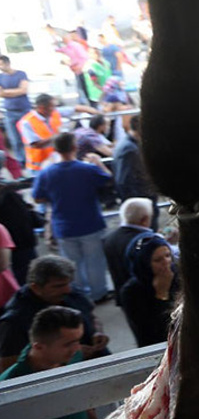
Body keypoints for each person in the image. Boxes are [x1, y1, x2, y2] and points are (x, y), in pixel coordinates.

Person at [0, 306, 96, 419]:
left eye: (77, 341)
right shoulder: (10, 386)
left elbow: (82, 400)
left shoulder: (72, 357)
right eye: (68, 344)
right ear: (38, 347)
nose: (77, 348)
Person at [33, 134, 113, 301]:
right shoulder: (87, 169)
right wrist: (98, 162)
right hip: (91, 223)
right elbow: (107, 179)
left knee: (72, 264)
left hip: (64, 226)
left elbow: (38, 197)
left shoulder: (46, 173)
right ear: (74, 147)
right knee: (95, 261)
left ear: (55, 149)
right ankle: (99, 293)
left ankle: (79, 294)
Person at [0, 255, 106, 370]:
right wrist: (69, 355)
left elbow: (91, 316)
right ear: (35, 287)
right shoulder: (15, 321)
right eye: (58, 286)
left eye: (68, 283)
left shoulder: (70, 291)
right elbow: (9, 366)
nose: (67, 290)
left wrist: (97, 332)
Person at [118, 232, 178, 347]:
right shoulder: (131, 292)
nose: (166, 263)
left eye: (167, 255)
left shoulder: (177, 275)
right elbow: (149, 331)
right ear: (144, 263)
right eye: (157, 260)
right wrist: (161, 294)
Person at [104, 197, 155, 293]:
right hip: (146, 296)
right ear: (144, 219)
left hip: (124, 295)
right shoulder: (147, 241)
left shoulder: (110, 238)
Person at [0, 55, 32, 167]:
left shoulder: (21, 74)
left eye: (1, 64)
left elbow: (24, 90)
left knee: (29, 137)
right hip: (9, 111)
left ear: (7, 63)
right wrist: (16, 91)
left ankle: (31, 159)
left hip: (24, 110)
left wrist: (7, 92)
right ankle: (21, 161)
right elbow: (1, 93)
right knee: (15, 139)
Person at [18, 93, 62, 175]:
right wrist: (58, 136)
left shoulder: (52, 114)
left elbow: (74, 109)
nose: (54, 109)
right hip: (38, 168)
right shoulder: (27, 122)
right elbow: (36, 144)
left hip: (54, 162)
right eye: (52, 106)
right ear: (42, 108)